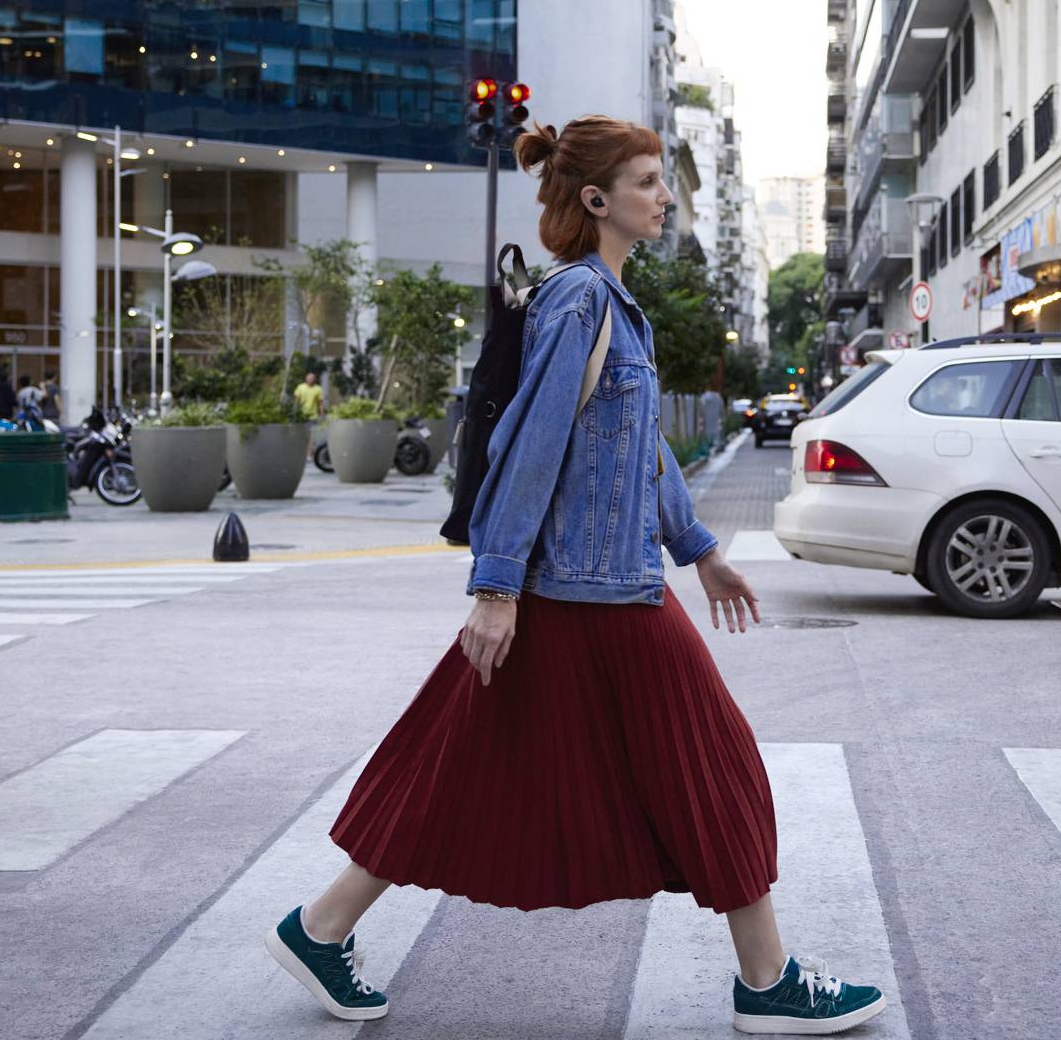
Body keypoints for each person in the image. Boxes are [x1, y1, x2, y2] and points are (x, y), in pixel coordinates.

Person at [264, 117, 888, 1034]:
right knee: (714, 765)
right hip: (586, 595)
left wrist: (700, 550)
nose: (663, 195)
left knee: (455, 772)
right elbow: (530, 446)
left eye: (660, 180)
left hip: (598, 587)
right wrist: (496, 586)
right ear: (597, 201)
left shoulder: (614, 307)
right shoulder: (579, 304)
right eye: (646, 181)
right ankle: (766, 980)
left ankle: (321, 926)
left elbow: (638, 454)